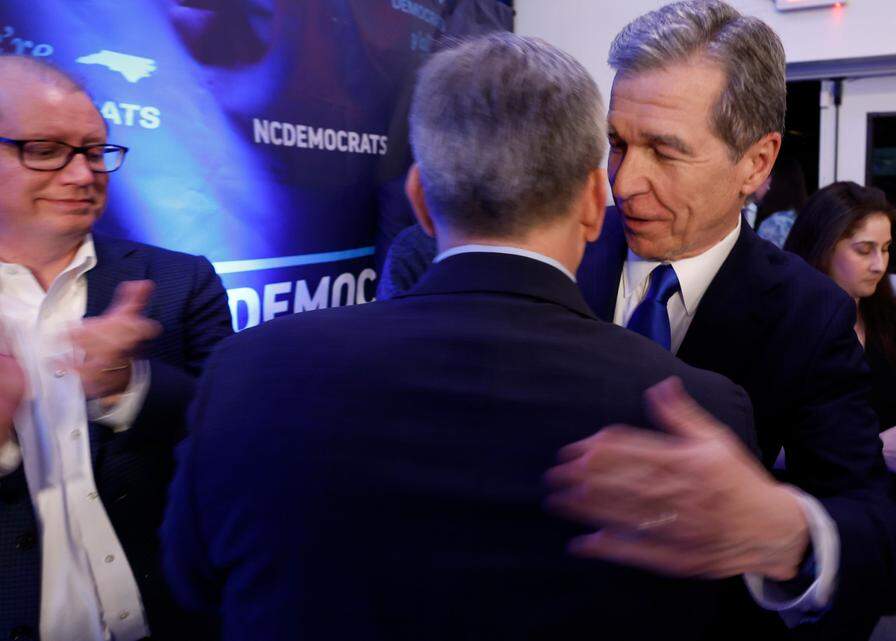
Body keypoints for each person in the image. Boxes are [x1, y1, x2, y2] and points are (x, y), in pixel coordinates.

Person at [161, 33, 780, 640]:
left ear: (421, 203)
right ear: (595, 202)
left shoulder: (246, 374)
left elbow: (191, 590)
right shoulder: (700, 412)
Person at [560, 2, 896, 637]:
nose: (624, 182)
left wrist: (783, 532)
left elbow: (883, 541)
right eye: (618, 142)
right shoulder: (560, 249)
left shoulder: (809, 313)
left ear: (755, 163)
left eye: (665, 152)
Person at [0, 56, 232, 641]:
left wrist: (132, 388)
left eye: (96, 151)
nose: (83, 175)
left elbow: (234, 441)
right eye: (47, 150)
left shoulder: (178, 282)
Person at [783, 181, 896, 639]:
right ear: (821, 248)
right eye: (863, 250)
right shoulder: (785, 323)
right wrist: (876, 449)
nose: (879, 264)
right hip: (813, 519)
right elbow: (762, 445)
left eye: (886, 249)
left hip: (883, 510)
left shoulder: (888, 319)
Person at [745, 152, 807, 248]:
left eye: (762, 173)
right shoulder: (799, 217)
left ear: (772, 181)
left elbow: (760, 262)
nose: (755, 179)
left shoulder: (775, 224)